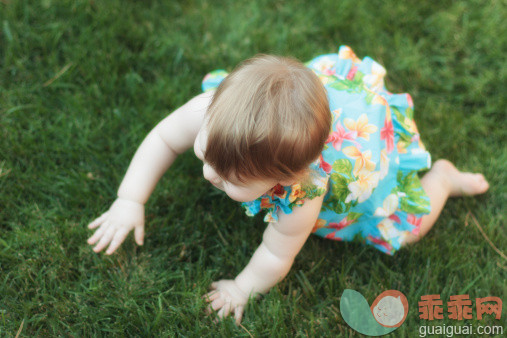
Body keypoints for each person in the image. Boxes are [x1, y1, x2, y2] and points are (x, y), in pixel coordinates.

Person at [87, 46, 489, 324]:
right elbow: (162, 138)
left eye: (232, 179)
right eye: (206, 154)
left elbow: (277, 254)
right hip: (293, 117)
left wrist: (242, 287)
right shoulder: (214, 114)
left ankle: (444, 179)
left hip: (359, 152)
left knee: (408, 229)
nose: (210, 175)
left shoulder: (302, 198)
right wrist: (129, 199)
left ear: (284, 180)